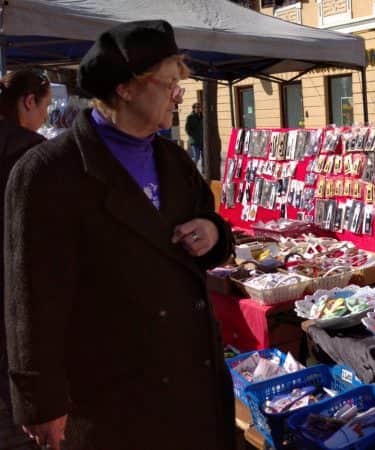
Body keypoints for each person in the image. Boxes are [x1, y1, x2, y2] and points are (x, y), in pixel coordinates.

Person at [4, 20, 234, 450]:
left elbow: (214, 228)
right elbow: (30, 300)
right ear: (126, 88)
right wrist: (41, 402)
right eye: (169, 84)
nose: (178, 95)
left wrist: (212, 231)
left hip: (193, 381)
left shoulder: (174, 159)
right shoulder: (49, 172)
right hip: (112, 399)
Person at [0, 69, 52, 450]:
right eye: (45, 106)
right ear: (28, 102)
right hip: (16, 276)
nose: (47, 116)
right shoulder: (32, 153)